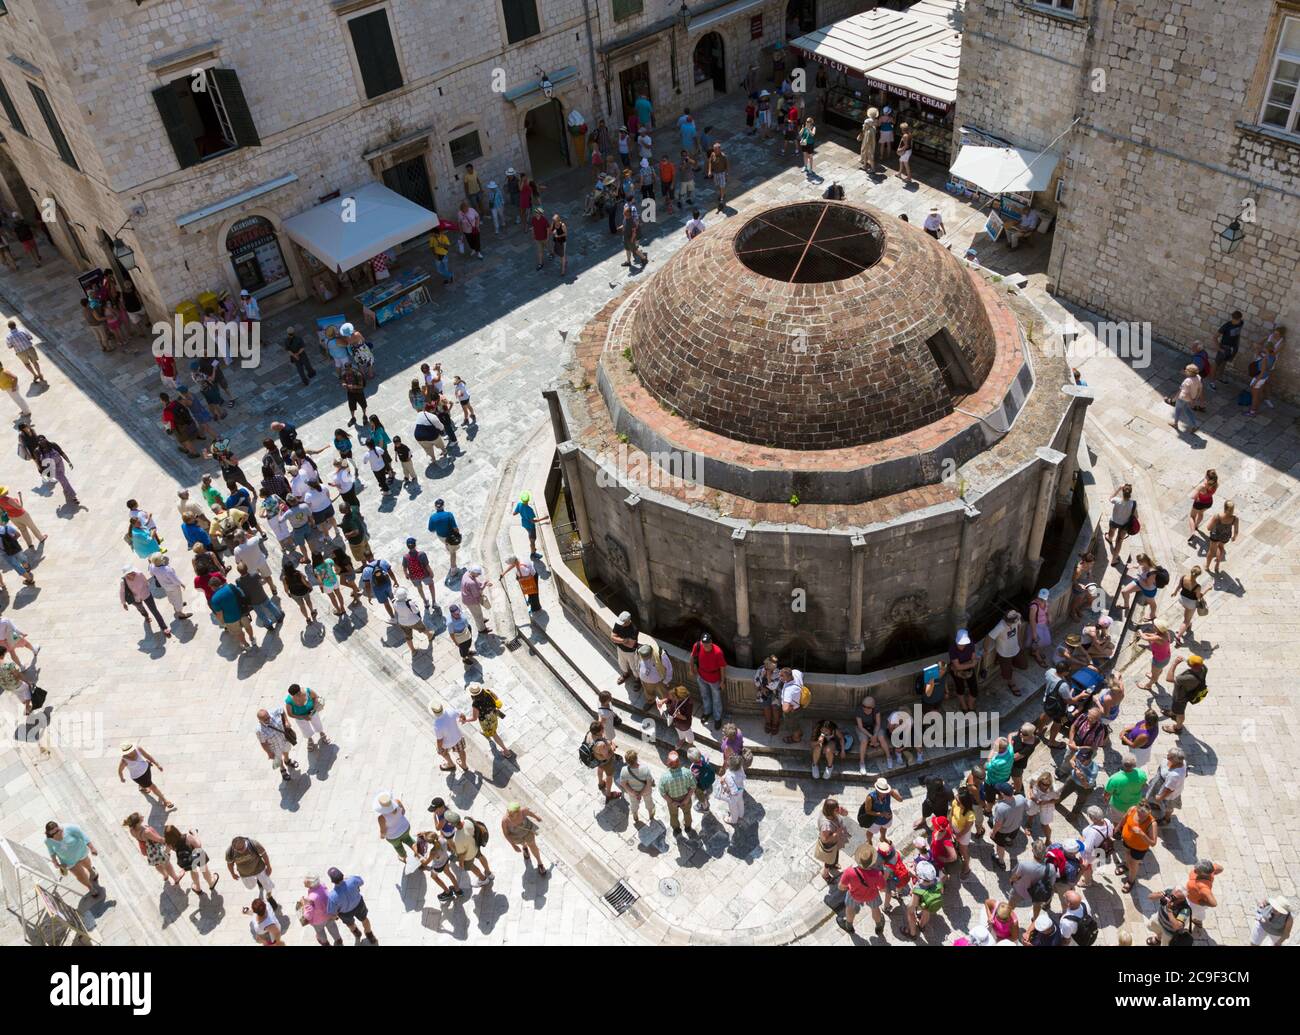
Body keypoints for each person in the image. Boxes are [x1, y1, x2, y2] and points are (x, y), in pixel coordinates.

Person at [837, 841, 887, 937]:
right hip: (872, 895)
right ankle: (879, 926)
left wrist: (849, 887)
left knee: (850, 908)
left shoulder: (849, 872)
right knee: (875, 909)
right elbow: (883, 889)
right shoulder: (878, 874)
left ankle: (849, 926)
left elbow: (841, 887)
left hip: (854, 895)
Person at [44, 820, 103, 897]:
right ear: (49, 834)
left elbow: (83, 836)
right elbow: (51, 851)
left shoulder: (70, 828)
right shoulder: (48, 841)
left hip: (81, 853)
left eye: (57, 831)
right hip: (68, 861)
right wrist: (55, 861)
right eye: (53, 834)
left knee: (87, 864)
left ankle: (91, 871)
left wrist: (92, 848)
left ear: (59, 827)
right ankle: (90, 887)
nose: (57, 834)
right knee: (80, 875)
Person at [461, 681, 514, 759]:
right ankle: (487, 733)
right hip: (493, 715)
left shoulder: (475, 704)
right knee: (492, 730)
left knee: (494, 734)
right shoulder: (488, 691)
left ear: (473, 695)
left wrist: (465, 720)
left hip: (486, 721)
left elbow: (474, 718)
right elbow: (496, 698)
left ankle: (506, 751)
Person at [117, 742, 176, 811]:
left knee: (146, 784)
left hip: (147, 769)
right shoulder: (124, 760)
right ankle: (165, 801)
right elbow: (120, 770)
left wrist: (157, 765)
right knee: (153, 787)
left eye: (130, 751)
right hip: (139, 777)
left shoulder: (138, 749)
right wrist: (122, 778)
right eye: (127, 752)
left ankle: (142, 787)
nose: (130, 753)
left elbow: (148, 756)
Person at [441, 810, 493, 888]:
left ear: (450, 824)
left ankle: (483, 880)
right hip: (475, 845)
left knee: (471, 866)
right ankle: (489, 873)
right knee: (481, 856)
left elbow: (461, 855)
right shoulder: (468, 821)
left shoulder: (458, 839)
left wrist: (461, 863)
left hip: (469, 855)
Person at [164, 826, 219, 895]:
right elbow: (198, 846)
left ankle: (197, 887)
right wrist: (195, 834)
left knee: (193, 871)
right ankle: (211, 883)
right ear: (176, 831)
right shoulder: (186, 837)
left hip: (187, 860)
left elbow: (166, 852)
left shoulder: (169, 844)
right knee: (204, 869)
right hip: (198, 855)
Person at [689, 632, 726, 729]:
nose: (705, 646)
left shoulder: (718, 652)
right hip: (701, 676)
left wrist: (722, 681)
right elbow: (692, 656)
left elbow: (722, 667)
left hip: (714, 679)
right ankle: (707, 712)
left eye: (707, 643)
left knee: (716, 699)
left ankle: (717, 718)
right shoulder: (698, 646)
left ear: (711, 642)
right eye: (704, 643)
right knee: (704, 695)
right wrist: (691, 668)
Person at [1119, 801, 1158, 893]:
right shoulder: (1133, 809)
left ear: (1149, 812)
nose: (1140, 816)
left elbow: (1153, 843)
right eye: (1139, 812)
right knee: (1127, 854)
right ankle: (1126, 866)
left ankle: (1130, 881)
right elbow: (1125, 818)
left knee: (1134, 863)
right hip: (1127, 841)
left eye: (1143, 814)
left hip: (1139, 848)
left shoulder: (1152, 824)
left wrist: (1142, 834)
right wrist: (1118, 828)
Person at [119, 564, 169, 637]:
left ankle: (164, 627)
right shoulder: (123, 581)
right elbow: (122, 592)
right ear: (126, 574)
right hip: (135, 599)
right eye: (129, 573)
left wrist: (145, 590)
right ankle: (146, 616)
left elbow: (146, 582)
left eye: (132, 572)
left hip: (146, 595)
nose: (132, 574)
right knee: (141, 609)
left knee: (154, 610)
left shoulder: (139, 574)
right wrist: (123, 603)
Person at [1163, 653, 1206, 734]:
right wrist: (1185, 660)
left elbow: (1169, 678)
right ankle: (1172, 713)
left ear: (1192, 666)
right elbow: (1193, 663)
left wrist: (1174, 664)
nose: (1188, 662)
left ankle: (1178, 728)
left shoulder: (1187, 678)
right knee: (1176, 708)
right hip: (1185, 692)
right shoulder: (1203, 668)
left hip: (1181, 698)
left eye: (1189, 662)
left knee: (1180, 713)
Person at [501, 803, 548, 877]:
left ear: (518, 812)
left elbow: (530, 813)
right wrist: (513, 846)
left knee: (533, 846)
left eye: (512, 814)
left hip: (527, 831)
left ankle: (540, 863)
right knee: (522, 843)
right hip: (516, 836)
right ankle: (524, 847)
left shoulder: (523, 811)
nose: (509, 815)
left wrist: (537, 817)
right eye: (508, 812)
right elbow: (506, 834)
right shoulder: (505, 821)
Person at [989, 782, 1028, 870]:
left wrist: (993, 832)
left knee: (1000, 846)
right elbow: (1027, 808)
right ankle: (1009, 841)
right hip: (1016, 826)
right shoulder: (1021, 798)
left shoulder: (1000, 807)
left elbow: (998, 825)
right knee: (1011, 836)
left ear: (1002, 794)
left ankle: (1001, 861)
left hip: (1003, 831)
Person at [988, 610, 1027, 694]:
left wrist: (1020, 642)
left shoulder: (1016, 620)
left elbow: (1019, 628)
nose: (1016, 621)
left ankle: (1005, 664)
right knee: (1007, 674)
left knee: (1023, 665)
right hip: (1004, 653)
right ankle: (1011, 683)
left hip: (1016, 648)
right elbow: (989, 637)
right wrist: (985, 650)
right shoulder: (1000, 627)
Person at [255, 706, 299, 782]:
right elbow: (263, 743)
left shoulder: (274, 712)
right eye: (265, 720)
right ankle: (282, 768)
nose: (268, 719)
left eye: (268, 717)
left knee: (286, 751)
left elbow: (281, 710)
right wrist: (269, 752)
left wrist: (286, 721)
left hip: (284, 739)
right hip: (274, 747)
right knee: (278, 758)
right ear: (260, 720)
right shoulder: (259, 730)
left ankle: (287, 760)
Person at [1104, 752, 1148, 826]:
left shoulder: (1114, 778)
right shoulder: (1141, 774)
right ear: (1134, 765)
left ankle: (1118, 830)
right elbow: (1143, 785)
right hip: (1134, 804)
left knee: (1117, 820)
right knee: (1130, 817)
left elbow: (1107, 794)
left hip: (1118, 806)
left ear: (1122, 763)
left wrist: (1106, 800)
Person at [1185, 859, 1223, 937]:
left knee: (1186, 915)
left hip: (1194, 904)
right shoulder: (1210, 871)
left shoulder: (1203, 887)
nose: (1194, 871)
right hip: (1195, 902)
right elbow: (1221, 868)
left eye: (1197, 870)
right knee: (1200, 913)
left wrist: (1204, 903)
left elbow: (1214, 903)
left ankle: (1182, 925)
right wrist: (1212, 869)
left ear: (1204, 874)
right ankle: (1198, 921)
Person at [430, 699, 470, 774]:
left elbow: (440, 740)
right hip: (458, 737)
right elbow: (462, 714)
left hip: (446, 743)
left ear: (434, 712)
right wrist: (463, 720)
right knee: (461, 751)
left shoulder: (437, 725)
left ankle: (451, 764)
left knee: (443, 753)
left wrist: (439, 749)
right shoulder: (450, 711)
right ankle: (464, 765)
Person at [1208, 309, 1244, 389]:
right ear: (1234, 319)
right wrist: (1219, 349)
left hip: (1232, 348)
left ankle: (1220, 377)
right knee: (1216, 364)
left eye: (1240, 319)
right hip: (1224, 347)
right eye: (1238, 320)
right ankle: (1211, 382)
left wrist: (1236, 347)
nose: (1240, 321)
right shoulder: (1226, 326)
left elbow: (1238, 335)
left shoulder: (1241, 323)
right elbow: (1214, 337)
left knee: (1224, 363)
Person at [618, 749, 656, 825]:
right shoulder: (645, 769)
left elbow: (623, 783)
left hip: (633, 793)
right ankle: (651, 814)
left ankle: (635, 815)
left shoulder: (624, 770)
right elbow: (649, 784)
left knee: (634, 803)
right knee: (649, 801)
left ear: (626, 761)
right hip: (646, 791)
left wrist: (633, 792)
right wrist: (641, 793)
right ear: (636, 759)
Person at [285, 683, 328, 750]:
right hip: (299, 717)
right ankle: (310, 739)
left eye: (298, 694)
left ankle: (321, 733)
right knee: (304, 729)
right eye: (294, 695)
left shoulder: (308, 691)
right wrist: (303, 717)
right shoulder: (289, 701)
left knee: (317, 723)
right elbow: (290, 714)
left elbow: (315, 697)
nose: (297, 696)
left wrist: (313, 709)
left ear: (299, 691)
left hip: (312, 712)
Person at [375, 792, 416, 862]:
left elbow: (383, 831)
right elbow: (403, 812)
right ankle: (419, 852)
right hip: (405, 828)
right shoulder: (397, 801)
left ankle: (405, 858)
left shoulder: (381, 817)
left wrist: (382, 836)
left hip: (393, 836)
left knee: (398, 847)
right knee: (409, 840)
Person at [427, 498, 461, 574]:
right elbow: (455, 528)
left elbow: (431, 529)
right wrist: (458, 536)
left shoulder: (432, 517)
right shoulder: (449, 515)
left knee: (446, 543)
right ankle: (453, 570)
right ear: (443, 506)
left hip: (441, 537)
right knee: (453, 553)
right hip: (450, 537)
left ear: (435, 507)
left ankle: (447, 546)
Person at [1203, 500, 1238, 574]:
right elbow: (1236, 531)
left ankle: (1207, 566)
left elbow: (1208, 527)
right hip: (1225, 536)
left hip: (1215, 535)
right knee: (1221, 548)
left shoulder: (1217, 516)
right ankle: (1217, 565)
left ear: (1224, 507)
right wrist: (1234, 537)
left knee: (1211, 550)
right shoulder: (1235, 519)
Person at [1171, 362, 1204, 433]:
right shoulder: (1198, 377)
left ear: (1190, 372)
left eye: (1186, 370)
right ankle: (1194, 425)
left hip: (1183, 398)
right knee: (1188, 411)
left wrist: (1175, 398)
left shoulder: (1187, 380)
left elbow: (1186, 392)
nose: (1185, 371)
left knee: (1178, 410)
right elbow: (1200, 388)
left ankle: (1175, 424)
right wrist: (1195, 398)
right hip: (1190, 398)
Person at [460, 564, 492, 633]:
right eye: (478, 573)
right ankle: (482, 629)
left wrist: (483, 583)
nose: (479, 575)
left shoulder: (467, 574)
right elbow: (477, 594)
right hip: (472, 601)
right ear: (474, 572)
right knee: (477, 615)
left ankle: (481, 620)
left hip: (467, 598)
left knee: (477, 613)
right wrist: (484, 585)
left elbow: (476, 581)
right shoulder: (470, 583)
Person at [717, 752, 746, 826]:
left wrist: (723, 783)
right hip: (741, 789)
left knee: (733, 808)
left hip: (733, 795)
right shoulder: (740, 768)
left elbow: (732, 790)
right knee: (740, 802)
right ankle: (741, 814)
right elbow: (744, 777)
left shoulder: (729, 776)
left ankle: (733, 819)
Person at [706, 142, 729, 211]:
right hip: (715, 173)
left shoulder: (723, 156)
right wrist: (709, 171)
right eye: (714, 149)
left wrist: (726, 174)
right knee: (718, 185)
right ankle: (722, 194)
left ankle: (721, 200)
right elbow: (710, 162)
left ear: (719, 149)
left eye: (716, 150)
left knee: (722, 185)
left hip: (722, 173)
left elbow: (727, 166)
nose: (714, 151)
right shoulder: (713, 154)